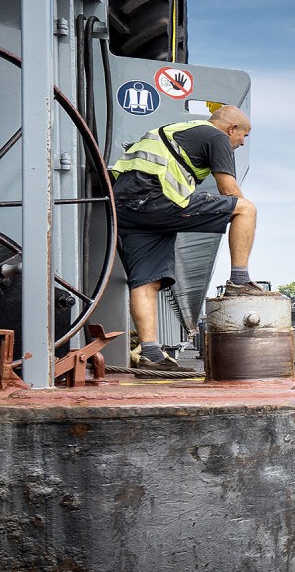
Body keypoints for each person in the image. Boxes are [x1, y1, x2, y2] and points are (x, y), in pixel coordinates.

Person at [110, 104, 264, 374]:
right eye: (244, 136)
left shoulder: (176, 130)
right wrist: (242, 219)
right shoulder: (216, 137)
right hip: (156, 199)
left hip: (125, 208)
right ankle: (239, 281)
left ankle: (151, 353)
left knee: (146, 280)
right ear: (232, 128)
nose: (241, 142)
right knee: (246, 208)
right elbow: (229, 190)